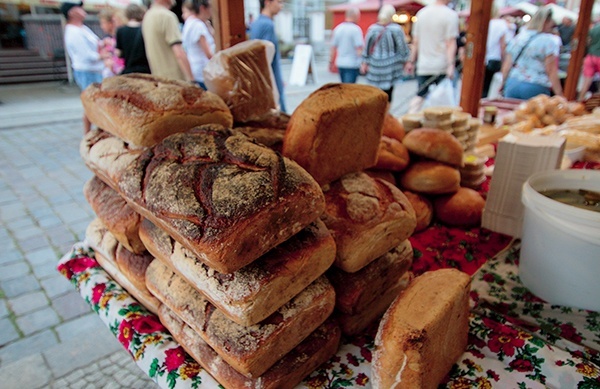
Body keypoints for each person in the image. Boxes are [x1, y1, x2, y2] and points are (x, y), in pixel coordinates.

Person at [500, 6, 563, 100]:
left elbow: (507, 65)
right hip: (535, 86)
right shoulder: (549, 41)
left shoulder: (519, 37)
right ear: (547, 22)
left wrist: (503, 83)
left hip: (513, 83)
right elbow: (551, 70)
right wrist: (559, 95)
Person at [405, 0, 459, 107]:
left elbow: (415, 41)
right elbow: (450, 43)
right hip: (442, 65)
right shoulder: (451, 15)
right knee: (444, 101)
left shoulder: (422, 13)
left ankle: (408, 118)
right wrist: (450, 66)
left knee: (420, 96)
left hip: (423, 65)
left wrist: (411, 61)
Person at [61, 1, 104, 134]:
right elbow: (85, 55)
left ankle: (99, 130)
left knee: (97, 103)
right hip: (87, 70)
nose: (82, 10)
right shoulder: (73, 32)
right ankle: (89, 133)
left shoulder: (82, 28)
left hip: (95, 69)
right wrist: (103, 56)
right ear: (72, 13)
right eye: (78, 8)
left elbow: (96, 43)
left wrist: (104, 45)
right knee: (91, 103)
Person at [360, 4, 409, 101]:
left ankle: (377, 111)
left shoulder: (372, 29)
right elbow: (402, 49)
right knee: (388, 93)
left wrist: (365, 62)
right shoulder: (396, 29)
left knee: (375, 93)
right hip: (391, 67)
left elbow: (367, 48)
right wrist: (405, 61)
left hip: (375, 66)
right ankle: (386, 112)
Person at [142, 0, 194, 81]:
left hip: (159, 79)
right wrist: (192, 80)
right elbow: (179, 53)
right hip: (176, 80)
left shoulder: (147, 16)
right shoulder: (167, 16)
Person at [250, 0, 287, 113]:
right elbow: (265, 56)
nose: (281, 6)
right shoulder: (267, 25)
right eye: (279, 2)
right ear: (267, 2)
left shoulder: (257, 23)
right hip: (270, 79)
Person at [182, 0, 215, 89]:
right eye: (210, 8)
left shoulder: (189, 22)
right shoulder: (198, 26)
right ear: (202, 8)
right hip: (203, 71)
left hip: (194, 68)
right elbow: (208, 54)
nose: (212, 11)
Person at [329, 7, 363, 84]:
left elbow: (333, 47)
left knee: (344, 86)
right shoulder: (356, 30)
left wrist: (331, 62)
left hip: (340, 62)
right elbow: (359, 48)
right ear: (355, 16)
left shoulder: (338, 28)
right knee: (350, 89)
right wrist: (362, 62)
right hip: (352, 64)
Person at [115, 4, 151, 74]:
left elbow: (118, 53)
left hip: (129, 70)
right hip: (146, 71)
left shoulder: (121, 30)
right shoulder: (146, 29)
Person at [482, 6, 510, 98]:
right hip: (495, 58)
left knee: (483, 87)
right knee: (493, 87)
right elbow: (503, 45)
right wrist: (504, 61)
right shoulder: (501, 24)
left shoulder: (485, 23)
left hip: (484, 58)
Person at [98, 9, 125, 78]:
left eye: (103, 23)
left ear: (111, 23)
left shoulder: (119, 39)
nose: (102, 26)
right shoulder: (108, 40)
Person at [578, 21, 600, 101]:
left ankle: (580, 100)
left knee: (586, 82)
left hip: (590, 56)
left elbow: (588, 41)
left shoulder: (594, 28)